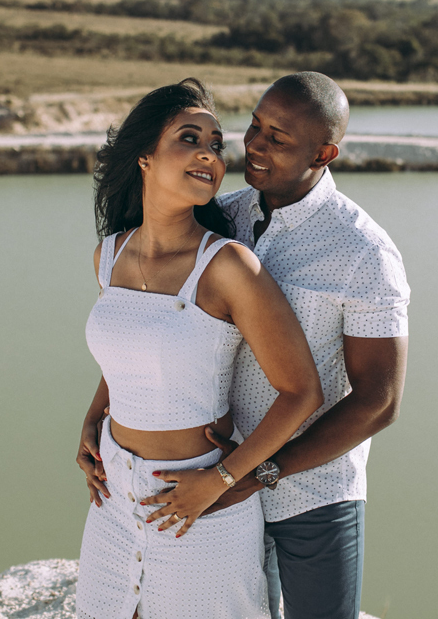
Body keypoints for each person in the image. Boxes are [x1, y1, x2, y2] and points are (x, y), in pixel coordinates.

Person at [74, 79, 324, 619]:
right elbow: (130, 352)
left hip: (199, 502)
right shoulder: (108, 255)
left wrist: (222, 479)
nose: (210, 155)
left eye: (216, 145)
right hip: (113, 493)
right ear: (144, 156)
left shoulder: (228, 266)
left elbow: (302, 391)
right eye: (190, 139)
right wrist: (92, 420)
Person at [199, 72, 411, 619]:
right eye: (255, 126)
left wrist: (262, 472)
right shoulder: (220, 218)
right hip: (216, 479)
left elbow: (380, 401)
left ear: (324, 153)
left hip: (314, 493)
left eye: (278, 138)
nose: (254, 144)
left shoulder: (364, 251)